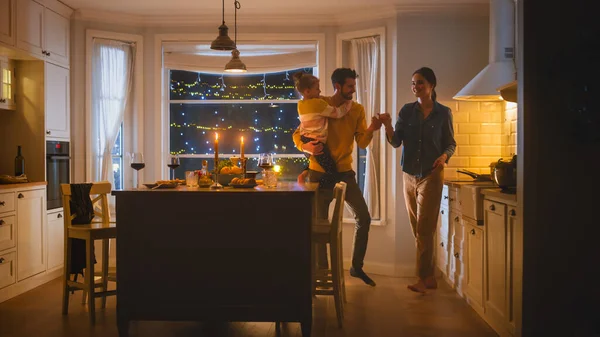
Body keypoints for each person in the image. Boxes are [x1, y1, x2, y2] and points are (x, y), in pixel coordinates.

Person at [293, 68, 382, 286]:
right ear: (338, 86)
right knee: (319, 225)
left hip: (344, 173)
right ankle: (322, 273)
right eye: (350, 86)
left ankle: (356, 267)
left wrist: (372, 128)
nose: (353, 90)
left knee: (364, 217)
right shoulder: (318, 103)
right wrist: (305, 146)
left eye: (354, 85)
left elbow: (361, 143)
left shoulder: (357, 109)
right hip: (318, 172)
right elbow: (298, 133)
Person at [379, 67, 456, 293]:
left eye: (420, 82)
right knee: (418, 228)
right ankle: (430, 276)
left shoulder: (444, 113)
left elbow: (451, 143)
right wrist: (388, 125)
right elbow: (396, 143)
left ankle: (422, 279)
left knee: (424, 228)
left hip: (432, 175)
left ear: (431, 85)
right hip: (409, 174)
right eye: (413, 83)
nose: (415, 87)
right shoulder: (406, 111)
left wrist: (444, 156)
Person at [293, 72, 352, 188]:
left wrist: (303, 146)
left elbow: (300, 129)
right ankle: (320, 187)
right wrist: (348, 104)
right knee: (332, 171)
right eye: (317, 89)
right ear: (307, 91)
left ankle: (305, 173)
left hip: (305, 139)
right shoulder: (318, 104)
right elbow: (337, 113)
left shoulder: (301, 104)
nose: (320, 92)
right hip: (316, 142)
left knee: (319, 162)